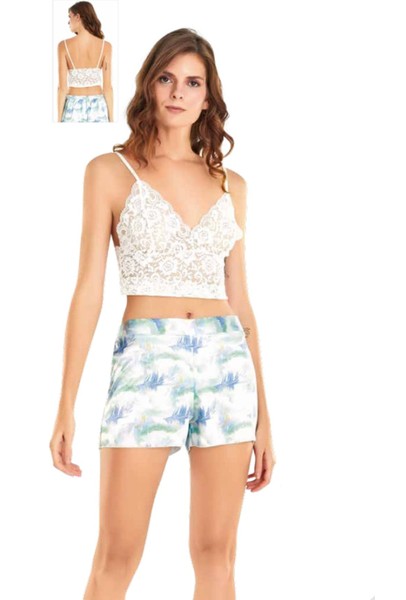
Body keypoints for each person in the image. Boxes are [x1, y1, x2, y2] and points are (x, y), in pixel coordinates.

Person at [50, 27, 276, 599]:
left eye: (193, 83)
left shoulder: (231, 185)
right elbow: (88, 291)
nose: (178, 92)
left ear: (208, 97)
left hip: (226, 367)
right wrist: (66, 403)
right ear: (149, 85)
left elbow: (242, 300)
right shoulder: (109, 172)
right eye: (167, 78)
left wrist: (265, 416)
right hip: (146, 361)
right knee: (116, 556)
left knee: (218, 557)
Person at [57, 1, 112, 122]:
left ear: (78, 17)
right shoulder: (106, 46)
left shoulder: (63, 46)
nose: (68, 22)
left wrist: (58, 120)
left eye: (70, 17)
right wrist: (111, 119)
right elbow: (108, 88)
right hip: (98, 106)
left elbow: (62, 88)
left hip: (73, 107)